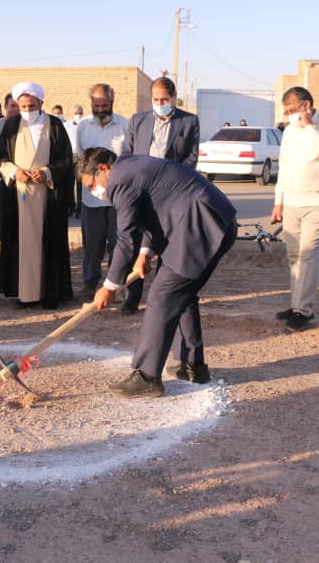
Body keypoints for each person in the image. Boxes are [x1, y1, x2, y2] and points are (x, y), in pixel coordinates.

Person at [86, 149, 236, 397]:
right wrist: (145, 253)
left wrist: (110, 286)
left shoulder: (120, 179)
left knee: (162, 296)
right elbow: (154, 210)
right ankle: (191, 365)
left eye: (91, 184)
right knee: (181, 294)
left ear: (102, 168)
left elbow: (125, 240)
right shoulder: (133, 167)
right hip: (213, 223)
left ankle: (147, 377)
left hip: (198, 226)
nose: (95, 191)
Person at [120, 76, 200, 314]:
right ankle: (130, 299)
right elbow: (127, 153)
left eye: (164, 99)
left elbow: (191, 157)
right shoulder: (138, 120)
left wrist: (172, 179)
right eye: (156, 99)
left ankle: (162, 299)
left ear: (174, 98)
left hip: (171, 192)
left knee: (165, 243)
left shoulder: (189, 121)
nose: (160, 103)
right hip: (141, 189)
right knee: (136, 243)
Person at [0, 82, 73, 309]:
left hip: (49, 196)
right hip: (18, 197)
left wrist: (47, 172)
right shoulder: (11, 127)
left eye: (31, 105)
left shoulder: (55, 125)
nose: (27, 110)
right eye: (23, 106)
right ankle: (24, 294)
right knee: (21, 245)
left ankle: (50, 294)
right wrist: (14, 171)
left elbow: (66, 160)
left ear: (40, 103)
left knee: (49, 244)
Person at [270, 86, 319, 330]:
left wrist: (310, 126)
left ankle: (303, 310)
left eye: (293, 110)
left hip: (317, 201)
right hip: (291, 201)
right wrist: (278, 201)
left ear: (307, 105)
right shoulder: (289, 131)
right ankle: (296, 304)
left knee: (309, 256)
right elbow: (285, 167)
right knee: (294, 257)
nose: (290, 115)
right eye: (287, 111)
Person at [76, 84, 128, 297]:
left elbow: (129, 160)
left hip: (118, 199)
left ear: (111, 103)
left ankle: (118, 285)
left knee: (119, 245)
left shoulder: (124, 125)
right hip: (92, 200)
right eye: (96, 105)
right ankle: (90, 284)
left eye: (104, 105)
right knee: (92, 245)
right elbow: (79, 160)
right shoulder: (84, 126)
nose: (100, 109)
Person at [0, 93, 20, 237]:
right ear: (5, 107)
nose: (16, 109)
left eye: (19, 106)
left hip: (21, 180)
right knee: (2, 215)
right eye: (12, 106)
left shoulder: (26, 127)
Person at [65, 103, 85, 218]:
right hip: (70, 156)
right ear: (71, 114)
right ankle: (70, 206)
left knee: (81, 184)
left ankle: (80, 209)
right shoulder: (66, 126)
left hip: (82, 157)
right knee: (69, 183)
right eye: (76, 113)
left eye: (80, 113)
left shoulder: (87, 125)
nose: (78, 115)